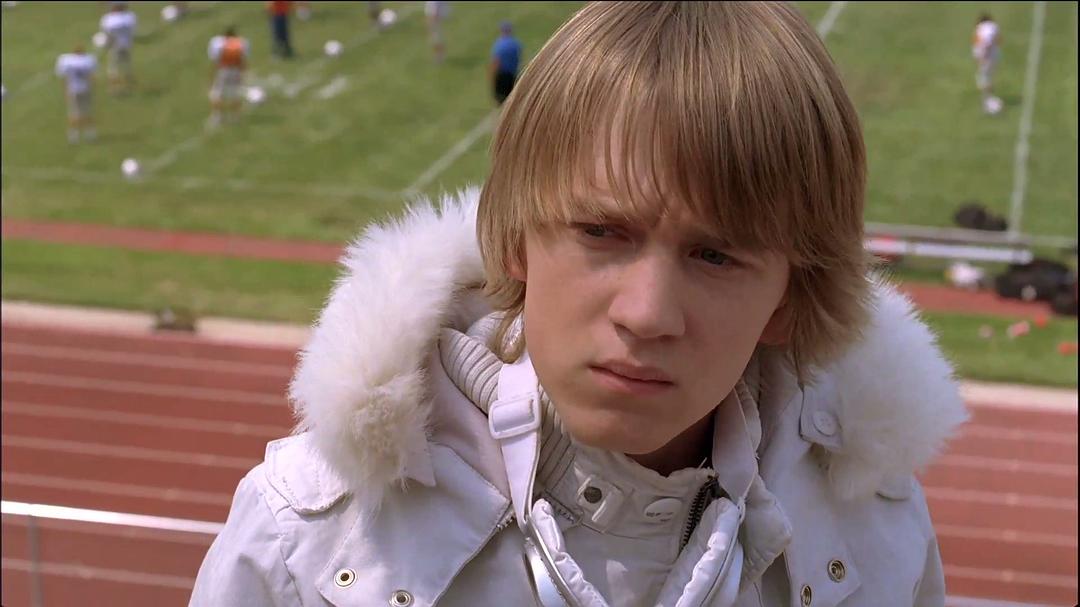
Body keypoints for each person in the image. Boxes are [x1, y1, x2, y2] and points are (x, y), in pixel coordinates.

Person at [191, 3, 968, 605]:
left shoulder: (877, 531)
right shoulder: (302, 541)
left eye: (716, 255)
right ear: (515, 240)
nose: (647, 312)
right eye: (601, 231)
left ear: (791, 298)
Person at [206, 26, 249, 128]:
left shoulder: (219, 44)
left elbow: (216, 60)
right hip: (236, 70)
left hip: (224, 70)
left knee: (216, 93)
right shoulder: (240, 43)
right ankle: (235, 116)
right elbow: (243, 60)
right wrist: (243, 73)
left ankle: (217, 117)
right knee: (235, 93)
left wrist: (212, 73)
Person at [55, 44, 97, 143]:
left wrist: (65, 91)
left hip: (73, 90)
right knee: (87, 111)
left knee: (73, 113)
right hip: (85, 89)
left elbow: (64, 78)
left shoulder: (67, 62)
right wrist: (93, 88)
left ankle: (74, 135)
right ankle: (89, 133)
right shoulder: (88, 61)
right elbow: (92, 77)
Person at [99, 1, 137, 94]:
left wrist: (106, 45)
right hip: (127, 45)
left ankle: (114, 89)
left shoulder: (108, 19)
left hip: (115, 46)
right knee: (126, 66)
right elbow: (133, 31)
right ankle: (129, 85)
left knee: (113, 68)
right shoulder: (130, 17)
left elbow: (107, 35)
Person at [972, 13, 1002, 114]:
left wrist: (983, 57)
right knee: (987, 78)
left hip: (986, 56)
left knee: (985, 79)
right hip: (992, 56)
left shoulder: (981, 28)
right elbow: (998, 40)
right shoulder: (993, 26)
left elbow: (983, 42)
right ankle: (987, 101)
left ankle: (987, 102)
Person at [490, 20, 522, 106]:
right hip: (513, 75)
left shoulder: (499, 44)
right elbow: (519, 59)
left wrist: (493, 77)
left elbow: (496, 61)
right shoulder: (516, 44)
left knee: (501, 100)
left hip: (502, 76)